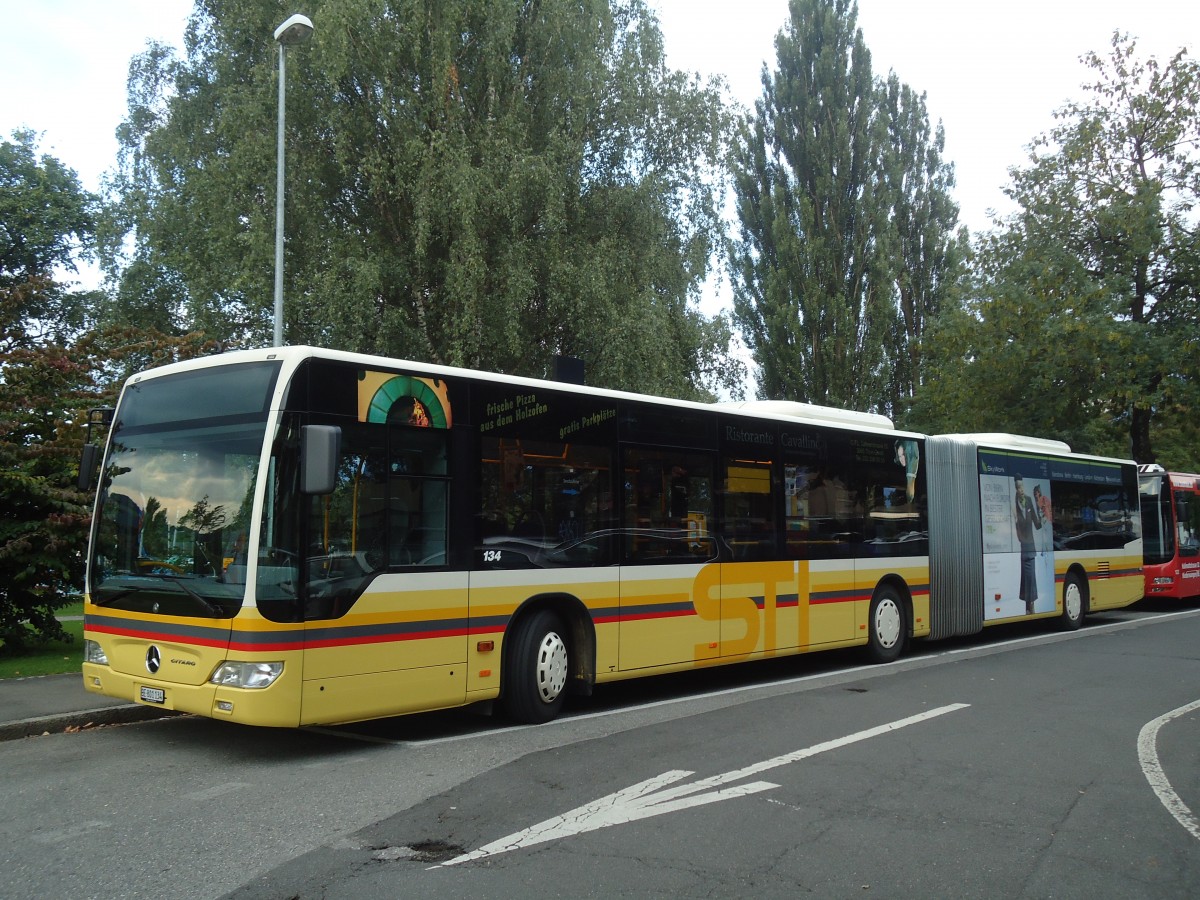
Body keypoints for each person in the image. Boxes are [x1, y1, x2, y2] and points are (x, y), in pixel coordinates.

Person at [1014, 475, 1043, 614]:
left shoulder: (1030, 500)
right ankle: (1028, 609)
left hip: (1030, 547)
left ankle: (1031, 607)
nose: (1020, 489)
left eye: (1021, 486)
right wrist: (1014, 520)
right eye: (1018, 487)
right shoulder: (1014, 505)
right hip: (1023, 547)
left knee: (1030, 577)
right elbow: (1018, 534)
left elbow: (1037, 525)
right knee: (1026, 579)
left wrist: (1039, 508)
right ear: (1015, 488)